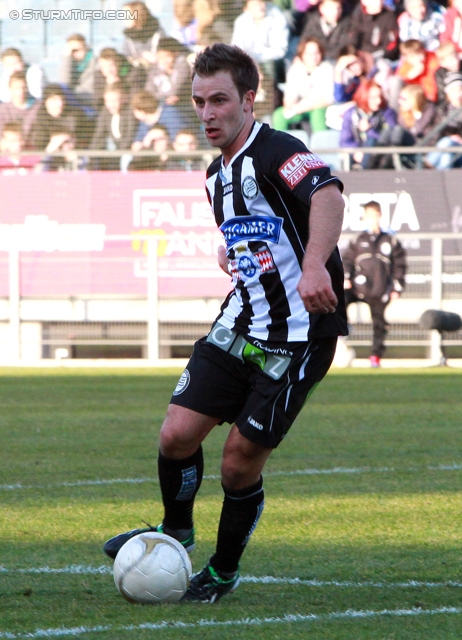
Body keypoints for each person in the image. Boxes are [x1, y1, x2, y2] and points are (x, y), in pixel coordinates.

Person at [104, 42, 347, 603]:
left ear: (248, 99)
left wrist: (313, 265)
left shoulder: (278, 149)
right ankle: (176, 531)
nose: (208, 113)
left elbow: (328, 197)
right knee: (175, 435)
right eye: (199, 102)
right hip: (239, 322)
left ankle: (221, 571)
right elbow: (256, 232)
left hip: (299, 335)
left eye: (219, 100)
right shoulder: (217, 175)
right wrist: (232, 250)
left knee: (238, 463)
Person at [342, 200, 407, 368]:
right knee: (339, 301)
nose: (372, 220)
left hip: (379, 288)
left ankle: (375, 357)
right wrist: (346, 278)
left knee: (379, 323)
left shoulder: (389, 240)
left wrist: (397, 287)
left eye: (375, 216)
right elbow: (347, 260)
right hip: (357, 287)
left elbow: (400, 265)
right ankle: (341, 333)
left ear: (380, 216)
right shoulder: (358, 239)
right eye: (369, 217)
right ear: (364, 218)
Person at [272, 36, 334, 132]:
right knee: (279, 115)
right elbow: (289, 98)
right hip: (298, 108)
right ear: (302, 55)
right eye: (309, 54)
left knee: (318, 115)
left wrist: (303, 106)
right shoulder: (295, 70)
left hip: (318, 107)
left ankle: (322, 145)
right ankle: (277, 145)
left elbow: (327, 99)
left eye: (316, 53)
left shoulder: (327, 69)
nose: (313, 57)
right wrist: (291, 105)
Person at [340, 79, 397, 168]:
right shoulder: (351, 114)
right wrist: (356, 151)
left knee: (371, 141)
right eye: (374, 98)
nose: (378, 101)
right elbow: (345, 141)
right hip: (357, 155)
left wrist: (370, 130)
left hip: (380, 156)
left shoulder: (387, 113)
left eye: (380, 97)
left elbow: (389, 137)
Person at [90, 82, 138, 170]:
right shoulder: (105, 113)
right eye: (108, 101)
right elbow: (99, 136)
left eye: (115, 100)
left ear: (124, 98)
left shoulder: (130, 113)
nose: (111, 104)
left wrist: (119, 154)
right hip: (115, 151)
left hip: (129, 151)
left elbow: (130, 136)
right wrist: (92, 154)